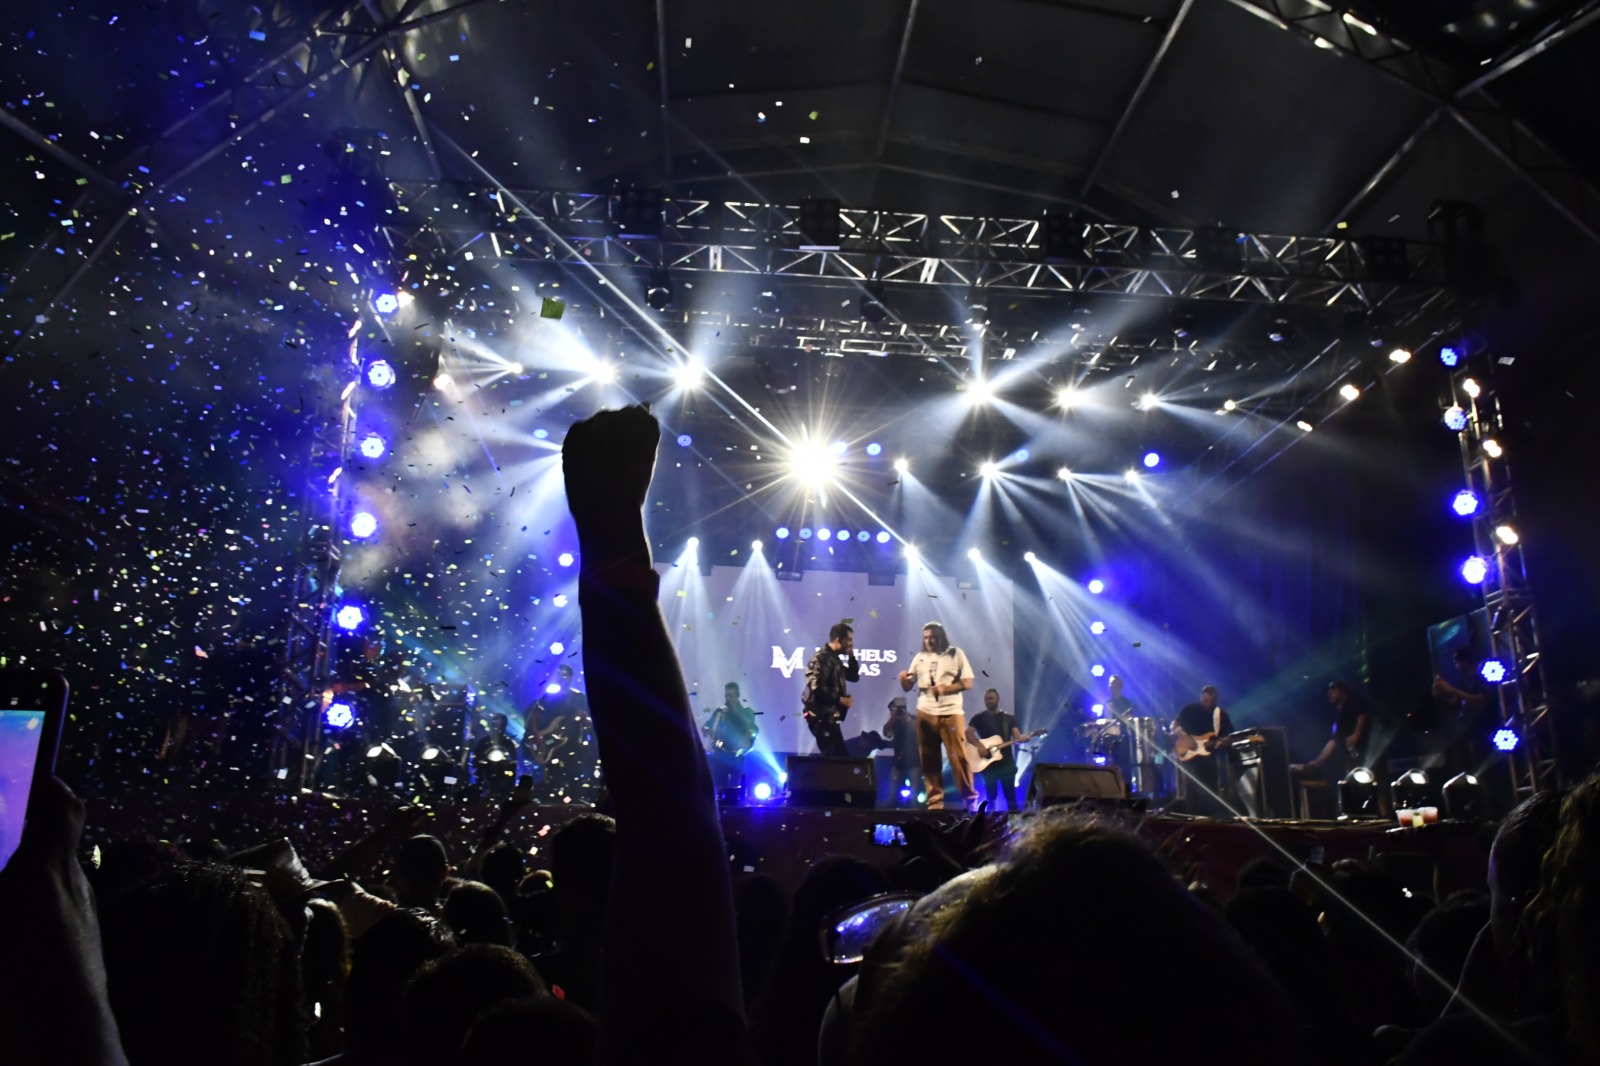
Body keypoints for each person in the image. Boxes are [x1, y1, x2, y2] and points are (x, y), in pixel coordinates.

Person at [899, 621, 979, 811]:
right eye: (926, 638)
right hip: (925, 712)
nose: (929, 641)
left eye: (932, 637)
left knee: (959, 758)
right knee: (929, 759)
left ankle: (970, 801)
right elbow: (908, 685)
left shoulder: (955, 653)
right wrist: (904, 679)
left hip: (950, 712)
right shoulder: (919, 657)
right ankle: (934, 802)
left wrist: (946, 688)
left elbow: (968, 682)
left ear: (940, 636)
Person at [1172, 684, 1240, 815]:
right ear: (1201, 697)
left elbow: (1228, 736)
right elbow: (1174, 725)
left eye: (1212, 701)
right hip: (1189, 757)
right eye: (1206, 701)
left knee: (1210, 791)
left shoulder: (1220, 714)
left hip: (1210, 760)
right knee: (1191, 789)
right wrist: (1185, 737)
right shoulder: (1190, 709)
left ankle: (1209, 819)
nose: (1208, 704)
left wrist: (1223, 742)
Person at [1292, 681, 1372, 782]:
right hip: (1349, 757)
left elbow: (1362, 715)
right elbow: (1333, 741)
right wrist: (1317, 762)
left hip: (1362, 752)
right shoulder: (1338, 714)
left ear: (1342, 692)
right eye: (1329, 692)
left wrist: (1356, 734)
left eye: (1333, 691)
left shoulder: (1352, 703)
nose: (1330, 695)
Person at [803, 623, 859, 758]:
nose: (851, 643)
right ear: (838, 640)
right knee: (834, 761)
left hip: (829, 718)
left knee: (839, 760)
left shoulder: (834, 658)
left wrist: (851, 656)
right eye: (849, 640)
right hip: (820, 717)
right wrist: (840, 700)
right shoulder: (822, 658)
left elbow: (853, 676)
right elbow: (816, 689)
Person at [966, 688, 1025, 811]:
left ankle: (1013, 822)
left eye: (991, 698)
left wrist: (1025, 739)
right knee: (990, 796)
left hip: (1006, 762)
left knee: (1011, 796)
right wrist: (979, 746)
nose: (988, 701)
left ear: (997, 699)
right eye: (986, 699)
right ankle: (988, 822)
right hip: (988, 763)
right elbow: (969, 733)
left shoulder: (1009, 719)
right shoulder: (979, 718)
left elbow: (1017, 737)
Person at [703, 682, 759, 791]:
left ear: (737, 696)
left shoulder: (747, 712)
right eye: (726, 695)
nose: (728, 698)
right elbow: (707, 725)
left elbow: (753, 729)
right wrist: (707, 730)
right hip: (720, 754)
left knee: (736, 787)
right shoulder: (721, 712)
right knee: (718, 786)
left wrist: (735, 712)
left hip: (736, 755)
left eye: (731, 696)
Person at [881, 696, 921, 805]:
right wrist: (893, 718)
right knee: (893, 789)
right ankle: (891, 809)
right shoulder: (894, 723)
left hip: (914, 761)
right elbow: (887, 733)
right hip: (898, 760)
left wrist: (906, 718)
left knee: (914, 789)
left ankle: (914, 812)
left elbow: (918, 730)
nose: (892, 712)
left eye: (893, 709)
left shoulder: (912, 719)